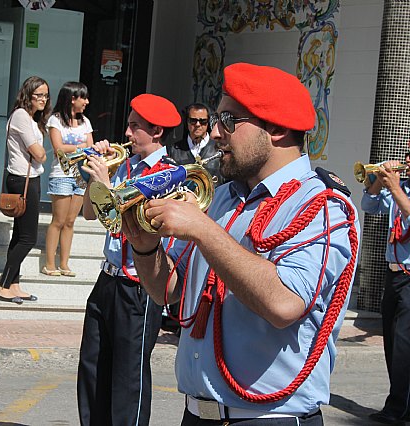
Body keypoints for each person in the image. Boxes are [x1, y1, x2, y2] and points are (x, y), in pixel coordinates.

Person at [122, 63, 360, 425]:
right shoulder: (222, 198)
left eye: (230, 120)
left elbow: (283, 303)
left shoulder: (323, 206)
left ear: (277, 129)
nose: (216, 132)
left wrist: (203, 229)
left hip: (269, 418)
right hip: (197, 413)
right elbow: (168, 290)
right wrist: (144, 247)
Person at [77, 93, 181, 425]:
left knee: (128, 380)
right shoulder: (123, 165)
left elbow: (135, 226)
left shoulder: (168, 174)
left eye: (136, 126)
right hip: (107, 278)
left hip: (140, 286)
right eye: (129, 124)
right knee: (92, 369)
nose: (127, 133)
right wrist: (95, 176)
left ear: (157, 132)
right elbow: (89, 214)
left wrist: (108, 186)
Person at [361, 153, 410, 425]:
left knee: (404, 346)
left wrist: (394, 187)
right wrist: (377, 183)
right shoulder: (398, 188)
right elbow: (369, 205)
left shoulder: (400, 190)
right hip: (392, 274)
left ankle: (397, 408)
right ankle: (401, 403)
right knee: (392, 344)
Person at [0, 76, 50, 304]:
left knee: (19, 235)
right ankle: (3, 285)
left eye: (46, 95)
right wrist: (42, 155)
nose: (43, 100)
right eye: (38, 95)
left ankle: (14, 284)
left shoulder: (31, 119)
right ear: (28, 95)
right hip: (22, 180)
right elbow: (38, 153)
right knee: (28, 237)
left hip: (29, 179)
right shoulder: (20, 116)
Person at [41, 81, 94, 277]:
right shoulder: (55, 120)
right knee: (59, 220)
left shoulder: (85, 122)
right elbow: (58, 148)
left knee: (71, 221)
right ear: (72, 99)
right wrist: (80, 148)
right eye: (83, 98)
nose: (86, 102)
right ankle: (49, 263)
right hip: (61, 174)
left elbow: (92, 146)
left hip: (81, 175)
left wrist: (75, 148)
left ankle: (64, 263)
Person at [165, 103, 223, 185]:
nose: (198, 125)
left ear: (208, 123)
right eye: (193, 121)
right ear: (187, 122)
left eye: (203, 121)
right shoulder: (173, 150)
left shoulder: (219, 148)